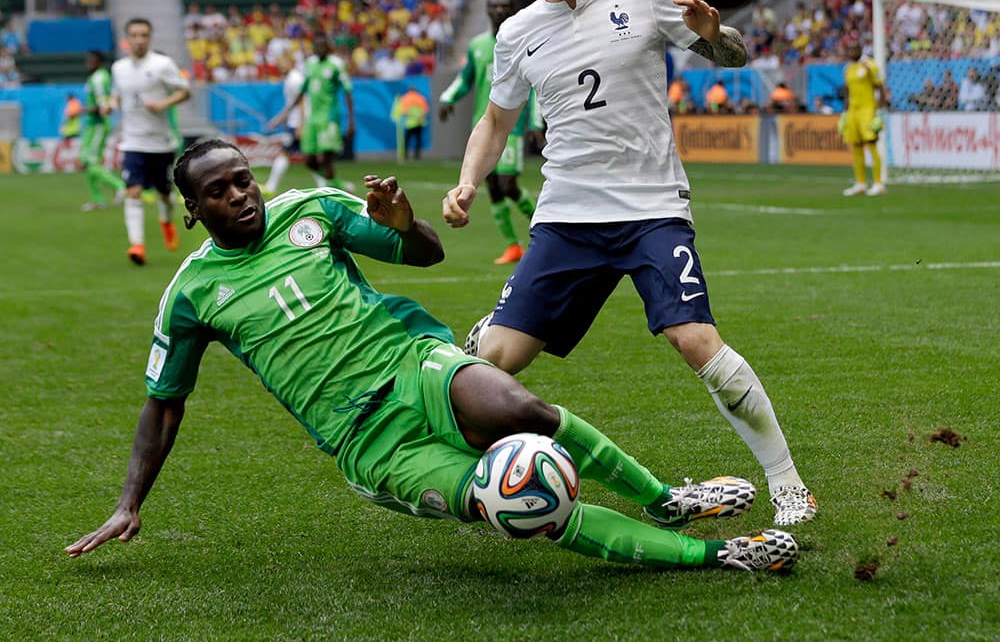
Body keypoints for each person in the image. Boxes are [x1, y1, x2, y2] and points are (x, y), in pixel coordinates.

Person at [64, 139, 798, 574]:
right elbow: (164, 403)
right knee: (521, 506)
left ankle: (665, 499)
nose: (240, 197)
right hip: (365, 439)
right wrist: (130, 503)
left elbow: (425, 255)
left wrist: (403, 223)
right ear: (193, 209)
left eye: (243, 180)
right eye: (219, 193)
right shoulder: (190, 295)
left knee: (523, 410)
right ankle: (719, 556)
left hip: (412, 362)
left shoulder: (311, 210)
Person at [442, 0, 816, 527]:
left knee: (694, 338)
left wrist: (710, 34)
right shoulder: (518, 33)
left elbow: (732, 54)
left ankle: (788, 485)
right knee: (494, 364)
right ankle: (471, 475)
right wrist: (468, 182)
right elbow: (495, 120)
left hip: (650, 207)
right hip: (567, 217)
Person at [439, 0, 541, 265]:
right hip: (483, 126)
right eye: (494, 5)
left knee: (508, 184)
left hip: (512, 126)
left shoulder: (523, 41)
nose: (498, 10)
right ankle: (512, 246)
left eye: (504, 6)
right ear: (487, 10)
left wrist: (535, 121)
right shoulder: (477, 46)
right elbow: (466, 79)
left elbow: (534, 86)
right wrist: (448, 98)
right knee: (494, 187)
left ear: (512, 9)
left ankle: (542, 231)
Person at [111, 18, 191, 265]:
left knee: (165, 195)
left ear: (150, 37)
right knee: (132, 191)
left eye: (144, 35)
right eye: (134, 35)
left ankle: (166, 222)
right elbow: (118, 97)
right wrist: (110, 105)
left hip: (161, 143)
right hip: (133, 142)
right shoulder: (119, 68)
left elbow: (185, 90)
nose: (139, 40)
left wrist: (163, 104)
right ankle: (137, 245)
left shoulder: (162, 64)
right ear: (127, 39)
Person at [271, 35, 355, 193]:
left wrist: (351, 121)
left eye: (323, 46)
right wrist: (285, 114)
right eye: (317, 47)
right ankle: (336, 184)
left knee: (325, 159)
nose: (320, 49)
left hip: (329, 118)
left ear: (328, 48)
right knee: (309, 160)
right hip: (312, 119)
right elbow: (302, 92)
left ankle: (332, 192)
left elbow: (348, 92)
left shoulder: (336, 64)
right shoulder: (310, 64)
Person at [79, 51, 126, 211]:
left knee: (89, 160)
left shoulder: (99, 77)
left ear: (99, 61)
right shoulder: (95, 77)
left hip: (98, 124)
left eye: (92, 60)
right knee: (88, 162)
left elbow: (103, 106)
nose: (88, 62)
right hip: (93, 124)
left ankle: (120, 185)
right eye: (88, 59)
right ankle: (97, 200)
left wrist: (82, 111)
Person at [840, 41, 887, 197]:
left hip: (868, 109)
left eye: (855, 49)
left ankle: (879, 183)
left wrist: (880, 111)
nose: (852, 52)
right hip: (853, 111)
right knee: (856, 145)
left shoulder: (870, 66)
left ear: (860, 50)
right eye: (850, 49)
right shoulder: (848, 69)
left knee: (872, 144)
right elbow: (847, 90)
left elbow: (879, 87)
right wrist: (845, 112)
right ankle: (860, 183)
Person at [263, 54, 305, 197]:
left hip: (297, 123)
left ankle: (271, 186)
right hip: (294, 121)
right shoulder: (290, 79)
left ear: (291, 63)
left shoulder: (295, 79)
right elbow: (292, 104)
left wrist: (302, 125)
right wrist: (279, 119)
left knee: (284, 153)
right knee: (309, 157)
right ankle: (326, 183)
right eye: (279, 63)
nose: (281, 66)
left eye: (284, 63)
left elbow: (302, 102)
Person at [391, 86, 430, 161]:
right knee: (418, 139)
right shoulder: (421, 97)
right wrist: (419, 117)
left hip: (410, 123)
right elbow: (425, 110)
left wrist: (413, 117)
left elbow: (404, 111)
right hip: (420, 122)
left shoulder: (405, 98)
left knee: (407, 139)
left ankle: (405, 155)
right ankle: (417, 156)